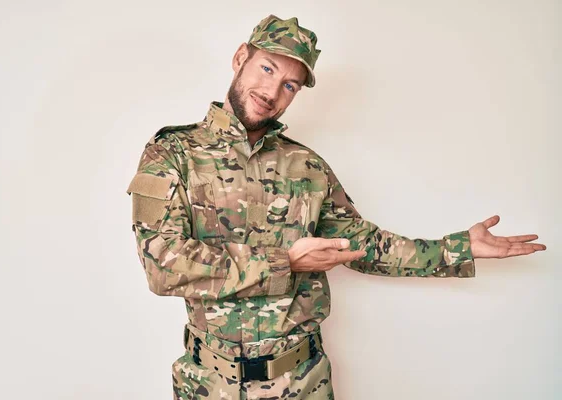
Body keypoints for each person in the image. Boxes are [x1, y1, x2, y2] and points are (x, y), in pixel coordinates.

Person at [125, 14, 546, 400]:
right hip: (209, 385)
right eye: (267, 68)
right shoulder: (173, 153)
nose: (272, 91)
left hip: (303, 382)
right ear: (240, 58)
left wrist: (459, 248)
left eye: (289, 84)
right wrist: (286, 260)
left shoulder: (306, 166)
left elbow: (364, 245)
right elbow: (163, 266)